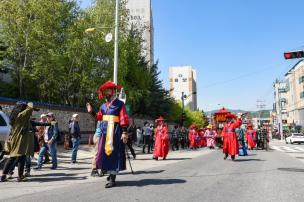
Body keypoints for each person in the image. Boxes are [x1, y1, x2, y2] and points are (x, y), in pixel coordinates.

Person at [94, 81, 129, 188]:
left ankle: (112, 178)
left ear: (114, 92)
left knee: (114, 154)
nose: (107, 92)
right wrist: (91, 111)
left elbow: (123, 118)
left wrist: (124, 132)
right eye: (106, 90)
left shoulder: (120, 104)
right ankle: (109, 173)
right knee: (104, 153)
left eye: (109, 90)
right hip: (105, 133)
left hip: (115, 132)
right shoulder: (103, 105)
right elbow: (99, 117)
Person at [1, 102, 39, 182]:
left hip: (16, 140)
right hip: (20, 141)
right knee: (21, 158)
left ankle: (3, 176)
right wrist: (30, 105)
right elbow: (30, 107)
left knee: (12, 158)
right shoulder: (21, 116)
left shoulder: (15, 117)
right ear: (23, 109)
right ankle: (20, 176)